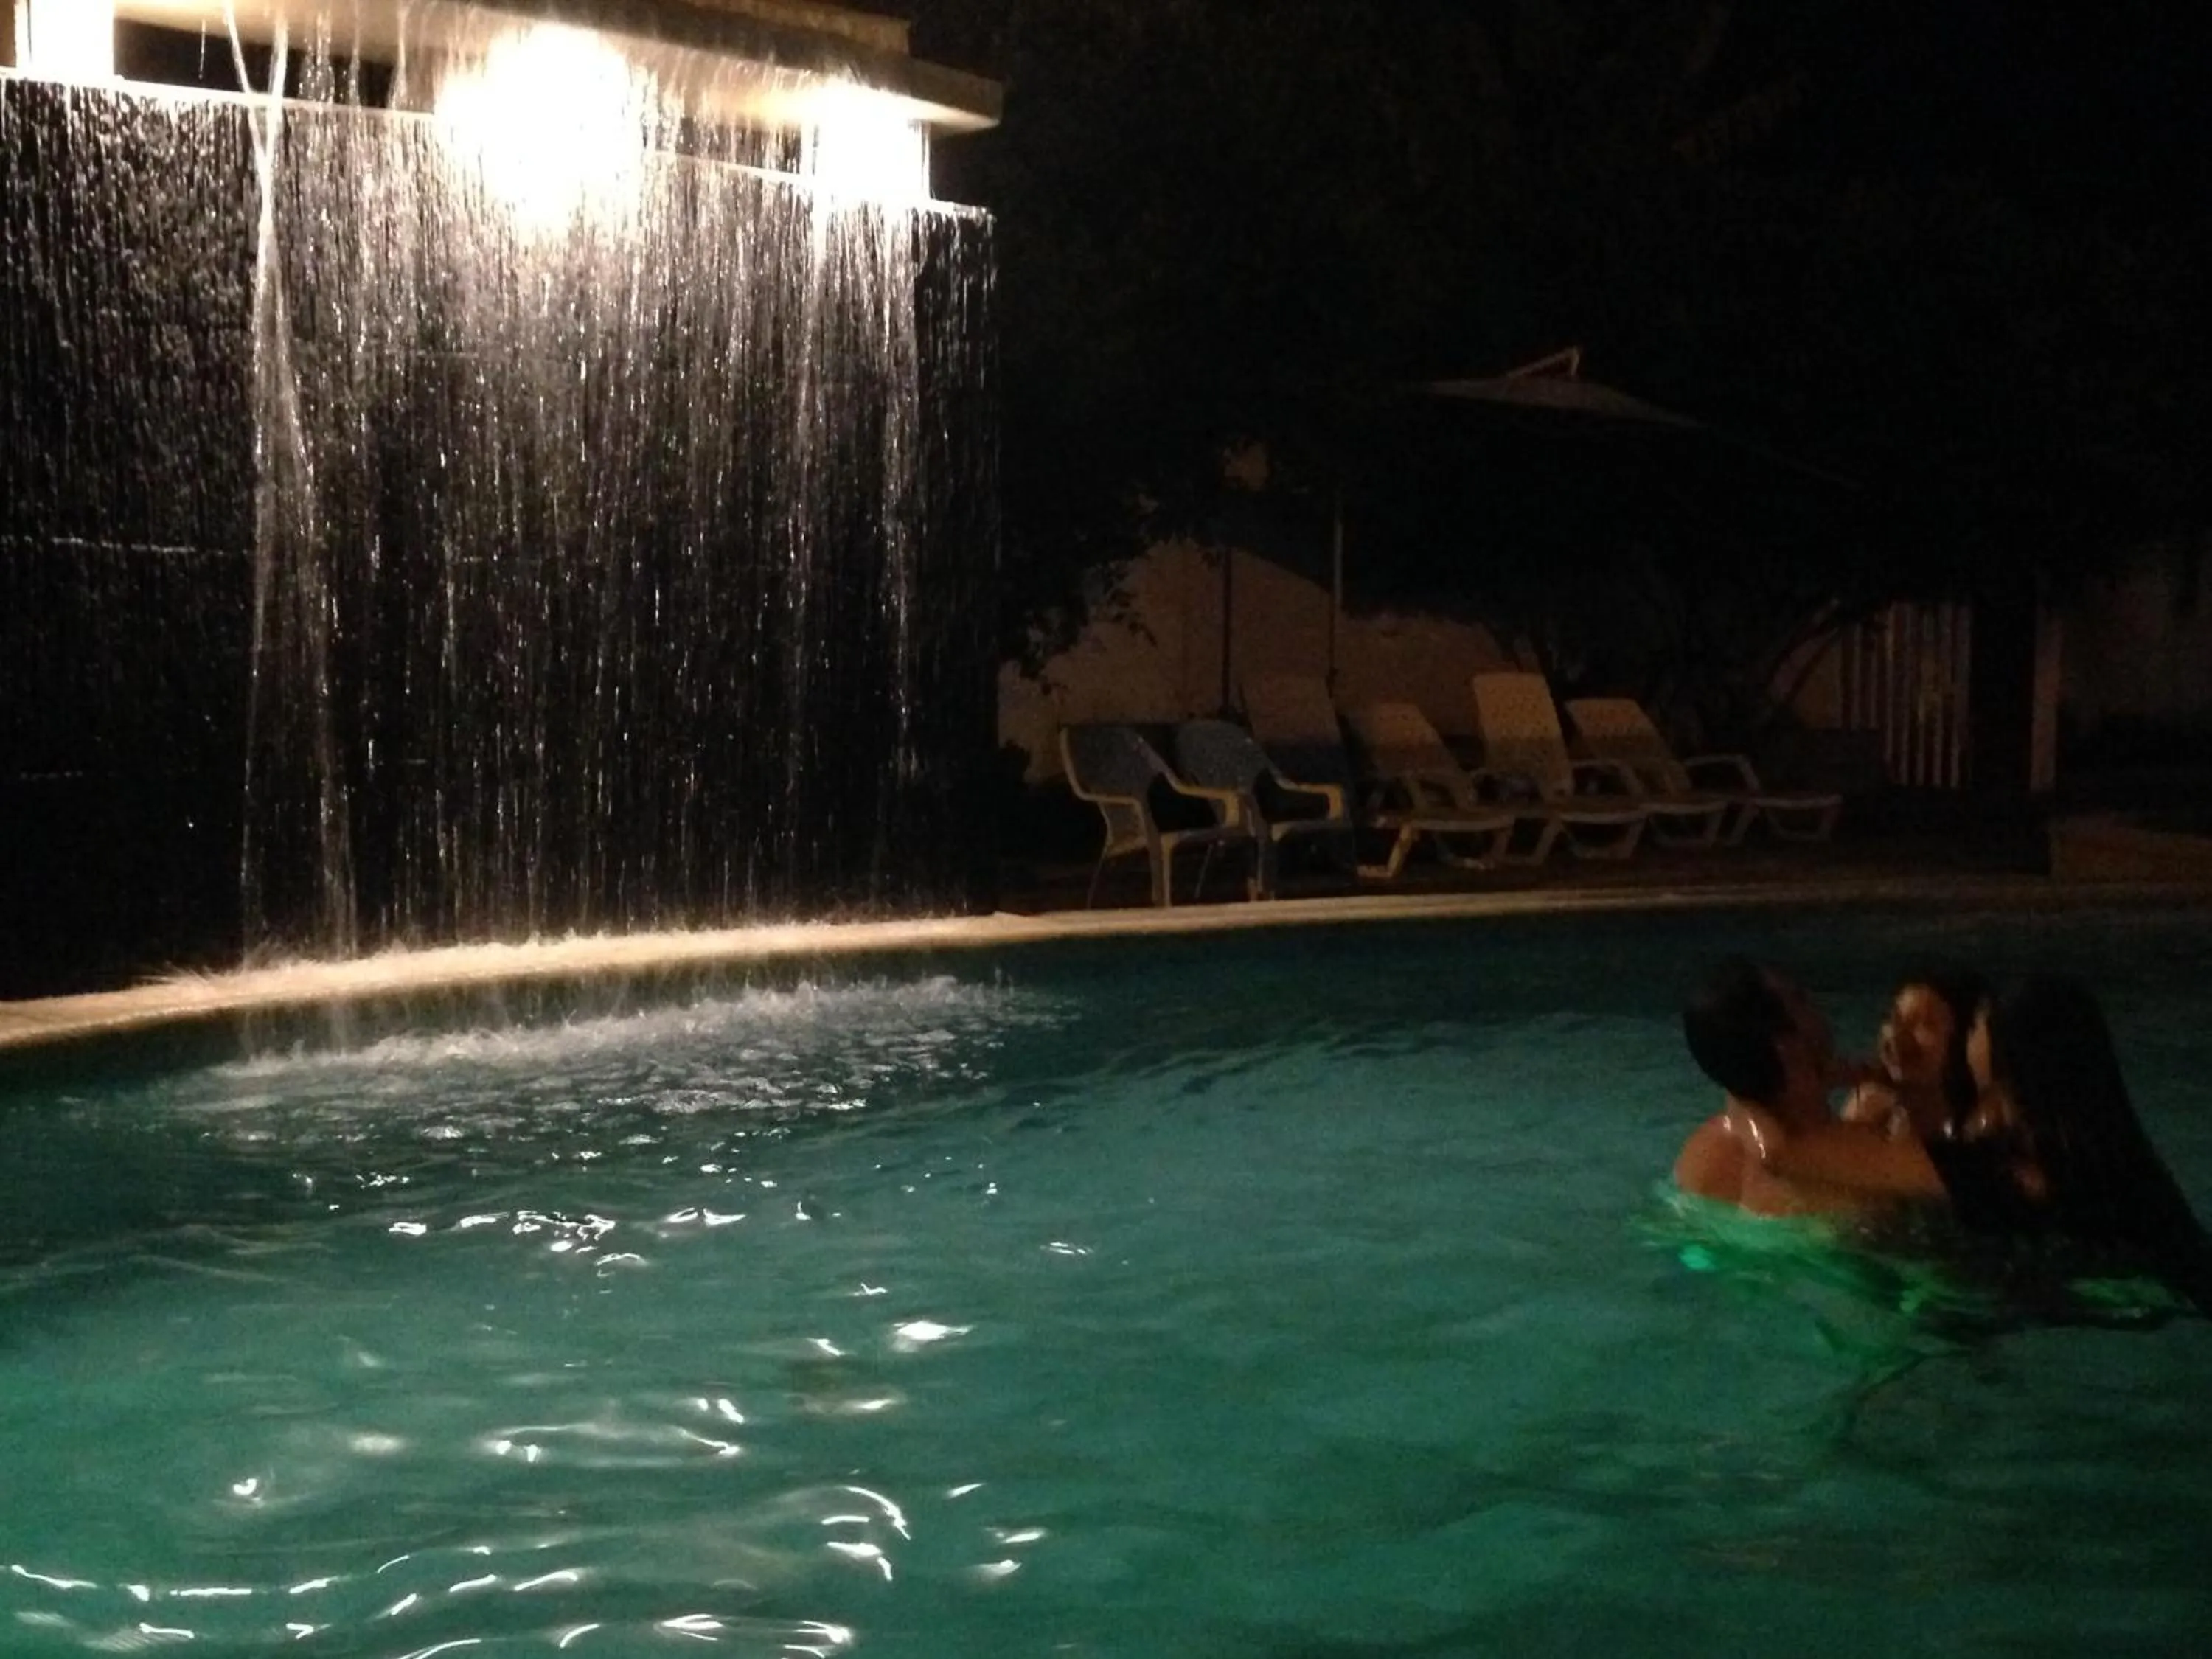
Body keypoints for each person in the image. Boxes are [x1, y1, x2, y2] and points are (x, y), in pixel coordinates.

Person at [1674, 957, 1921, 1220]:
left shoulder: (1702, 1154)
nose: (1817, 1005)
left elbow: (1693, 1254)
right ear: (1786, 1046)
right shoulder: (1860, 1160)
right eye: (1801, 1000)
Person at [1837, 967, 1988, 1141]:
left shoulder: (1982, 1124)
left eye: (1924, 1024)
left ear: (1966, 1040)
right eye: (1894, 1018)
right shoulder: (1868, 1109)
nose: (1896, 1035)